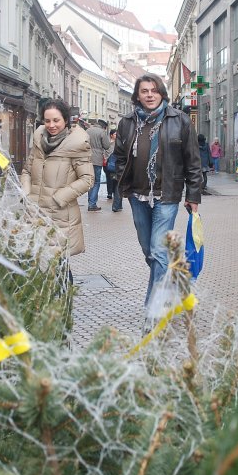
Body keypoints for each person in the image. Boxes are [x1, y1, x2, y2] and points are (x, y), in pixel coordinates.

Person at [114, 74, 202, 308]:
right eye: (144, 91)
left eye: (154, 90)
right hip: (138, 195)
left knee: (158, 250)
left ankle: (155, 306)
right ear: (138, 95)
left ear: (161, 93)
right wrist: (124, 182)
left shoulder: (180, 121)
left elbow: (192, 161)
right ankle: (171, 283)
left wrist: (193, 195)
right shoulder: (127, 123)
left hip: (167, 195)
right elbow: (120, 157)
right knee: (149, 251)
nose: (149, 95)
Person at [21, 98, 93, 260]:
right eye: (47, 121)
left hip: (60, 215)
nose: (51, 125)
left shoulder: (77, 143)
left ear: (65, 120)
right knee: (35, 264)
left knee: (59, 267)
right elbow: (26, 170)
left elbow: (87, 179)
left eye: (56, 120)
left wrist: (59, 198)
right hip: (35, 212)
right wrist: (27, 194)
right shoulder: (39, 141)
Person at [86, 119, 110, 211]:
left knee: (90, 181)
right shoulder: (102, 132)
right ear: (103, 126)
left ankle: (90, 201)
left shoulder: (88, 130)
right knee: (96, 181)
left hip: (87, 158)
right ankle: (92, 204)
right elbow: (107, 146)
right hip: (97, 159)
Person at [105, 129, 123, 212]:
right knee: (118, 185)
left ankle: (118, 205)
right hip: (119, 168)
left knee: (115, 183)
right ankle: (116, 205)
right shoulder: (122, 144)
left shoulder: (113, 144)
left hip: (112, 167)